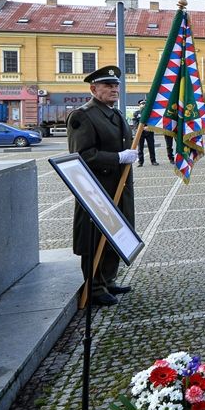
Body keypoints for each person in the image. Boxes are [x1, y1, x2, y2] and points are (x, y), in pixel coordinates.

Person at [68, 65, 139, 307]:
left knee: (116, 232)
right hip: (96, 188)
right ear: (93, 89)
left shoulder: (115, 114)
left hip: (119, 186)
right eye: (108, 85)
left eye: (116, 85)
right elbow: (82, 155)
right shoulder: (83, 116)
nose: (114, 89)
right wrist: (118, 158)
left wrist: (128, 155)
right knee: (95, 237)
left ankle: (108, 279)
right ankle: (94, 286)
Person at [133, 99, 159, 167]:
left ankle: (153, 161)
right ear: (139, 105)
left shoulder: (150, 113)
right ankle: (140, 162)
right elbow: (135, 122)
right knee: (140, 148)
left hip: (149, 132)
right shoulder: (136, 113)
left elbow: (153, 122)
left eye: (145, 104)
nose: (143, 105)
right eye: (142, 104)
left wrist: (149, 127)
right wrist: (139, 128)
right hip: (140, 133)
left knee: (151, 147)